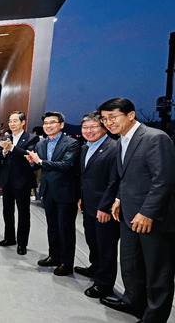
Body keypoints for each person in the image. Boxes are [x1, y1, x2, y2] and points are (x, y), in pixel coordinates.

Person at [97, 98, 175, 322]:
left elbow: (164, 180)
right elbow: (127, 177)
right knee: (131, 264)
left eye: (113, 117)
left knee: (157, 271)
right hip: (129, 215)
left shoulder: (155, 138)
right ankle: (132, 301)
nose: (108, 122)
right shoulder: (122, 140)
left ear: (131, 115)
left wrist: (148, 212)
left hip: (153, 217)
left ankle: (155, 316)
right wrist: (119, 199)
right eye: (104, 119)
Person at [26, 111, 80, 276]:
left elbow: (67, 165)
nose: (48, 126)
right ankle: (54, 256)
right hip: (48, 191)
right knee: (52, 227)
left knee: (66, 229)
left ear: (61, 125)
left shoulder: (71, 143)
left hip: (65, 192)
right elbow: (39, 167)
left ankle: (66, 262)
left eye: (52, 122)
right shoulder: (41, 144)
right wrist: (33, 163)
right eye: (46, 123)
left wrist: (40, 162)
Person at [76, 111, 119, 298]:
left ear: (104, 127)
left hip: (104, 208)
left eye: (94, 126)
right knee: (92, 240)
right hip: (88, 204)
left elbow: (115, 181)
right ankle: (95, 268)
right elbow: (84, 177)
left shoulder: (114, 148)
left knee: (106, 246)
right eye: (85, 127)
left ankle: (104, 284)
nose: (89, 131)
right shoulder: (86, 148)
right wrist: (81, 197)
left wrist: (106, 207)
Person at [0, 111, 39, 254]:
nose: (12, 124)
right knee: (7, 211)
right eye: (10, 121)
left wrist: (12, 148)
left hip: (22, 181)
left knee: (23, 213)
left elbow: (29, 155)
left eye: (15, 121)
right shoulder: (6, 138)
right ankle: (9, 238)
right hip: (7, 180)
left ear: (22, 122)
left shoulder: (31, 138)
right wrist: (3, 151)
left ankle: (22, 243)